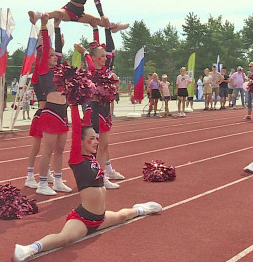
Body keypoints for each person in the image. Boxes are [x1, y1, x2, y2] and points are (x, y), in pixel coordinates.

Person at [13, 105, 162, 262]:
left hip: (100, 217)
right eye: (91, 139)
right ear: (80, 141)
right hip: (83, 219)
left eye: (96, 138)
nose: (96, 141)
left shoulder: (92, 158)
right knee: (65, 238)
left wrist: (90, 103)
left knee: (122, 216)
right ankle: (29, 248)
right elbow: (77, 128)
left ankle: (141, 209)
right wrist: (75, 105)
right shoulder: (77, 159)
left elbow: (89, 120)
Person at [77, 26, 124, 189]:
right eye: (102, 56)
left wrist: (107, 29)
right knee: (96, 147)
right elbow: (90, 63)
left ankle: (101, 174)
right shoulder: (91, 72)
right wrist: (85, 52)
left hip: (105, 112)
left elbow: (111, 50)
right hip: (95, 111)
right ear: (95, 58)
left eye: (105, 56)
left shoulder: (107, 71)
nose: (105, 58)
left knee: (103, 146)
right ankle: (99, 177)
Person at [33, 18, 72, 195]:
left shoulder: (59, 70)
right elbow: (48, 46)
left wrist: (57, 28)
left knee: (60, 150)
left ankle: (57, 180)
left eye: (55, 56)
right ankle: (42, 183)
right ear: (43, 58)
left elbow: (58, 50)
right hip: (50, 112)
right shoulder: (43, 70)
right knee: (47, 150)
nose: (54, 58)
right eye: (50, 56)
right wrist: (44, 25)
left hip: (63, 112)